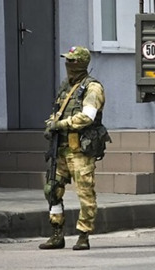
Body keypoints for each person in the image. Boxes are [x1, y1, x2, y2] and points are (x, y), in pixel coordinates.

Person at [39, 46, 105, 250]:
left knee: (85, 193)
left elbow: (87, 116)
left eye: (72, 61)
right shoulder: (66, 87)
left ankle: (83, 235)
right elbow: (57, 112)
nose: (68, 65)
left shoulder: (92, 88)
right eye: (67, 61)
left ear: (82, 63)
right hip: (60, 148)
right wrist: (51, 123)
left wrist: (61, 125)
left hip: (80, 150)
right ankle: (57, 232)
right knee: (52, 190)